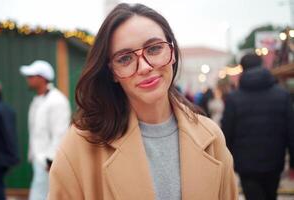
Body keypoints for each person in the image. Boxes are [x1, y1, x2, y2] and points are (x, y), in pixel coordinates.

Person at [48, 3, 238, 200]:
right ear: (112, 72)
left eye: (154, 49)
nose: (145, 67)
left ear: (172, 52)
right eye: (125, 58)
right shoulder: (79, 146)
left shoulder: (211, 137)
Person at [221, 53, 294, 200]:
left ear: (242, 69)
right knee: (271, 195)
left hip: (246, 164)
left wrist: (227, 162)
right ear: (262, 64)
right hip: (275, 160)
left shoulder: (234, 99)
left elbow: (226, 133)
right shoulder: (282, 95)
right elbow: (291, 131)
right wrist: (292, 161)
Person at [20, 60, 71, 200]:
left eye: (31, 76)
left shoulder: (57, 100)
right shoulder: (39, 99)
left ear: (42, 78)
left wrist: (50, 160)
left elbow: (60, 133)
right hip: (39, 159)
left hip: (48, 161)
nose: (28, 79)